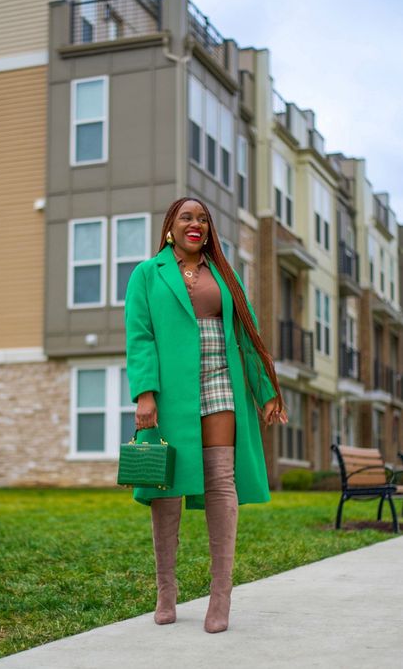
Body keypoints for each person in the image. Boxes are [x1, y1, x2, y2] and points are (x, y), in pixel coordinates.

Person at [124, 197, 288, 634]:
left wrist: (267, 390)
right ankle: (166, 591)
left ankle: (221, 596)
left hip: (220, 383)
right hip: (171, 392)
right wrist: (144, 394)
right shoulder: (147, 274)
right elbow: (140, 337)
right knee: (166, 490)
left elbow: (247, 334)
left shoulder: (225, 274)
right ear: (170, 228)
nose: (195, 224)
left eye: (202, 219)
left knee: (221, 483)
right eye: (187, 218)